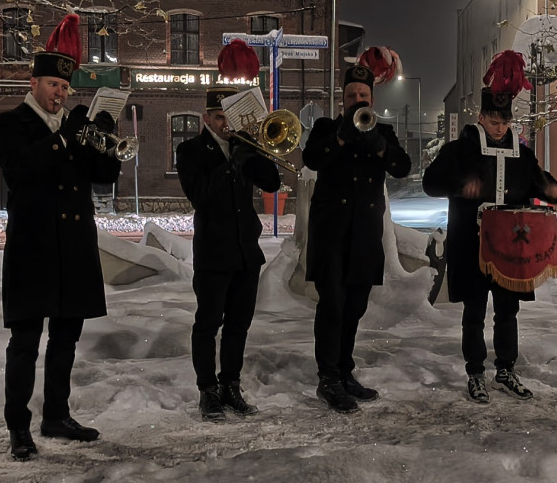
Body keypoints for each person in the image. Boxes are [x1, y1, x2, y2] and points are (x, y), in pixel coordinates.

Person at [0, 14, 121, 460]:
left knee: (66, 340)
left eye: (65, 88)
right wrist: (67, 136)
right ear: (35, 82)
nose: (60, 94)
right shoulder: (7, 124)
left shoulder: (75, 128)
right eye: (53, 86)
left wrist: (105, 139)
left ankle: (56, 415)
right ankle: (18, 427)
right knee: (24, 343)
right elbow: (22, 171)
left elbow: (104, 178)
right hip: (33, 249)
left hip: (75, 248)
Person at [423, 50, 557, 405]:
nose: (499, 127)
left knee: (507, 312)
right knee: (474, 312)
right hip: (471, 248)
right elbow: (430, 184)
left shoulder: (523, 153)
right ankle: (475, 373)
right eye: (493, 120)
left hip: (509, 248)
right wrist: (460, 186)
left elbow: (539, 184)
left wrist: (550, 189)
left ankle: (505, 369)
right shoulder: (459, 149)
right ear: (482, 116)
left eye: (504, 121)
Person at [176, 43, 282, 421]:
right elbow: (200, 197)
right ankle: (207, 390)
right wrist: (228, 167)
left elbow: (272, 184)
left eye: (229, 117)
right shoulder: (190, 152)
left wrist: (258, 152)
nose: (225, 124)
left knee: (239, 324)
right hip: (212, 252)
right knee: (208, 323)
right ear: (206, 118)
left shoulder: (245, 146)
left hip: (245, 253)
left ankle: (231, 385)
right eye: (219, 117)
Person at [302, 61, 411, 413]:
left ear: (372, 98)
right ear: (343, 98)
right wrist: (341, 137)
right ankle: (328, 378)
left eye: (363, 95)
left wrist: (377, 141)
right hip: (332, 234)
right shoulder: (325, 127)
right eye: (351, 95)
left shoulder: (383, 132)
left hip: (365, 235)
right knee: (332, 304)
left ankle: (344, 371)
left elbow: (402, 167)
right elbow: (312, 158)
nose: (356, 100)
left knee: (355, 307)